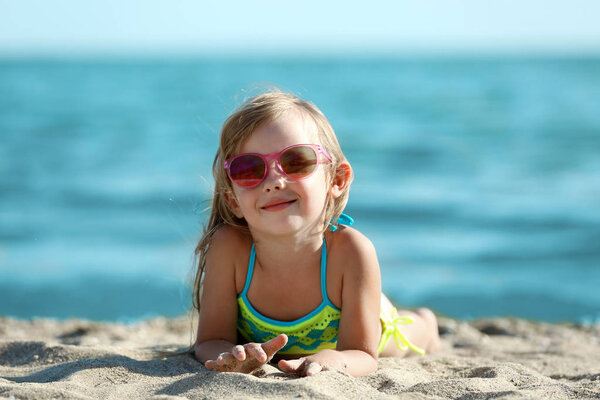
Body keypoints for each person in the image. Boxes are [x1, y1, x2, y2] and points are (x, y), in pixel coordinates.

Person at [193, 90, 440, 377]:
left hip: (379, 328)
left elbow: (363, 354)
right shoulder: (229, 249)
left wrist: (331, 359)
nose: (273, 181)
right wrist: (232, 355)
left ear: (336, 179)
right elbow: (209, 342)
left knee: (410, 337)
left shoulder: (351, 252)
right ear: (233, 200)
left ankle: (427, 324)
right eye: (249, 169)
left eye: (296, 162)